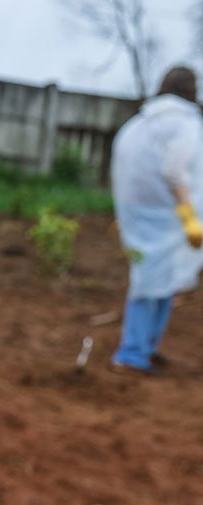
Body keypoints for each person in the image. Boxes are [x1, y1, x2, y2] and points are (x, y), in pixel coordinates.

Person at [110, 66, 203, 375]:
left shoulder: (141, 122)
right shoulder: (185, 124)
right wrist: (188, 216)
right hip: (168, 215)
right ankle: (133, 353)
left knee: (161, 279)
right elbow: (175, 171)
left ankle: (146, 348)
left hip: (141, 214)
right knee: (150, 281)